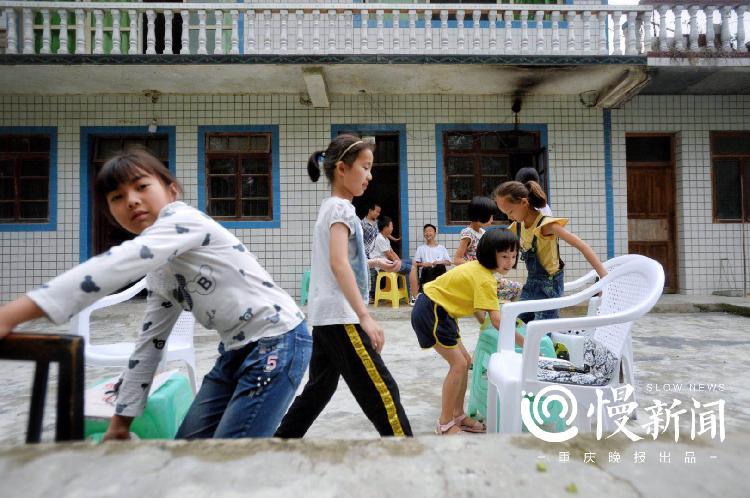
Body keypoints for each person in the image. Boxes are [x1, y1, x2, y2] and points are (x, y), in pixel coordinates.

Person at [0, 148, 312, 440]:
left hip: (279, 340)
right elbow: (150, 343)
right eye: (117, 197)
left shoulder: (183, 221)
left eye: (141, 186)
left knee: (229, 457)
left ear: (172, 191)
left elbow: (114, 266)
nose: (132, 200)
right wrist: (121, 423)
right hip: (234, 350)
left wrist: (11, 315)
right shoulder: (161, 273)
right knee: (186, 446)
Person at [275, 134, 412, 438]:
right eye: (365, 167)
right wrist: (365, 315)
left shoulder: (331, 207)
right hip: (342, 315)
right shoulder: (342, 209)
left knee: (319, 389)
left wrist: (374, 264)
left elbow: (340, 261)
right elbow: (338, 263)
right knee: (383, 392)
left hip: (327, 315)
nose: (370, 175)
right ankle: (407, 453)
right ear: (341, 168)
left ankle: (280, 444)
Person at [411, 229, 523, 435]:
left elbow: (478, 308)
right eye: (504, 256)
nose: (509, 261)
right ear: (490, 254)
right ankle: (444, 424)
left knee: (464, 361)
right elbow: (497, 321)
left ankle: (458, 416)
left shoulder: (480, 270)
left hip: (441, 311)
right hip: (432, 311)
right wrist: (525, 343)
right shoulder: (485, 279)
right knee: (459, 364)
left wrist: (484, 325)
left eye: (513, 256)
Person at [494, 180, 607, 324]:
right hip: (532, 284)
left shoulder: (547, 225)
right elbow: (495, 246)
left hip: (550, 287)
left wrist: (604, 277)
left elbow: (582, 246)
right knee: (516, 324)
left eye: (510, 211)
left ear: (523, 202)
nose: (509, 217)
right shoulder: (517, 227)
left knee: (542, 329)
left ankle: (546, 346)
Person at [409, 224, 452, 306]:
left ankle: (439, 293)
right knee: (428, 269)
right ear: (424, 234)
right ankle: (428, 294)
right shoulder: (421, 248)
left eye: (430, 231)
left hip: (438, 273)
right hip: (426, 273)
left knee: (440, 266)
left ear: (435, 233)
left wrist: (439, 262)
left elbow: (449, 262)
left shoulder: (441, 248)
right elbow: (415, 263)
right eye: (425, 231)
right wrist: (423, 264)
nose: (427, 233)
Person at [453, 196, 497, 265]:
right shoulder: (468, 234)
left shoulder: (483, 232)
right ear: (480, 215)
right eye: (489, 217)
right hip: (471, 273)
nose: (492, 220)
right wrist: (474, 265)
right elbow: (457, 260)